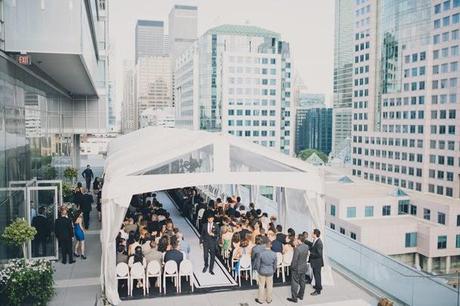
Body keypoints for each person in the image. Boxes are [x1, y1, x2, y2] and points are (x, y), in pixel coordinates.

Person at [287, 233, 310, 303]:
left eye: (297, 239)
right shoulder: (306, 246)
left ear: (299, 240)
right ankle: (301, 295)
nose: (296, 240)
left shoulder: (297, 249)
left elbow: (294, 260)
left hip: (296, 268)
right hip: (304, 267)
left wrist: (292, 267)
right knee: (303, 282)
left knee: (294, 283)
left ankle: (294, 298)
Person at [254, 236, 277, 304]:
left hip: (262, 271)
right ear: (270, 246)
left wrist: (258, 270)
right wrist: (274, 270)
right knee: (269, 286)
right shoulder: (274, 254)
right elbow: (275, 264)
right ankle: (269, 299)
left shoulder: (261, 253)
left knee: (261, 286)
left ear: (265, 245)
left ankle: (261, 300)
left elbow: (258, 264)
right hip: (270, 271)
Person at [308, 228, 324, 295]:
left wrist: (310, 254)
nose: (311, 234)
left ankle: (318, 290)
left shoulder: (319, 243)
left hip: (317, 262)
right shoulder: (315, 240)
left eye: (312, 233)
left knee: (317, 276)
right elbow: (312, 245)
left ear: (315, 234)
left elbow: (319, 254)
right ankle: (318, 286)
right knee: (316, 275)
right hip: (315, 262)